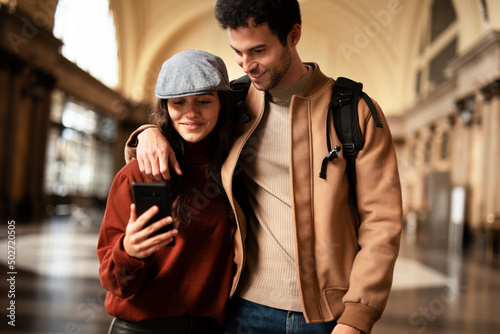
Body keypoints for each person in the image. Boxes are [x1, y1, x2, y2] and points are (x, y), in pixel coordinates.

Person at [124, 1, 403, 333]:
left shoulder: (354, 112)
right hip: (243, 308)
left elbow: (382, 223)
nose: (247, 65)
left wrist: (358, 317)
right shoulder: (235, 103)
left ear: (293, 36)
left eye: (259, 50)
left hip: (328, 316)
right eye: (238, 52)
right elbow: (187, 127)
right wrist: (148, 133)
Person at [97, 49, 239, 334]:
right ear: (166, 108)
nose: (191, 113)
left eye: (204, 101)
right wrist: (129, 252)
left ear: (222, 104)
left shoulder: (236, 169)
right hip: (141, 328)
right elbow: (115, 282)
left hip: (209, 328)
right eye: (178, 102)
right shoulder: (138, 174)